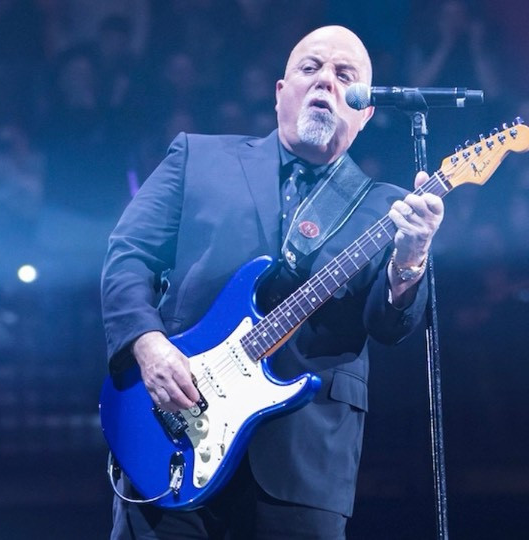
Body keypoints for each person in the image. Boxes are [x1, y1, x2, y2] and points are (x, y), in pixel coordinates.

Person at [101, 26, 444, 539]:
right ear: (281, 92)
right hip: (173, 431)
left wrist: (412, 257)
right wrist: (148, 347)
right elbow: (128, 255)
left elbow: (390, 325)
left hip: (304, 462)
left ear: (366, 112)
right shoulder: (199, 158)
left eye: (345, 76)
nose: (326, 81)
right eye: (311, 68)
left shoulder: (388, 209)